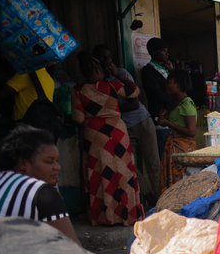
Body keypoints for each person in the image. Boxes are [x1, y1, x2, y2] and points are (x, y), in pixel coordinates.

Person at [0, 125, 79, 244]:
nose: (57, 167)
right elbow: (74, 250)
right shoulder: (40, 192)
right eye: (49, 161)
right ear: (22, 164)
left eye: (56, 161)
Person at [71, 52, 143, 225]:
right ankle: (128, 215)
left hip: (94, 135)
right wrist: (118, 74)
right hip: (118, 132)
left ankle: (106, 217)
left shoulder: (77, 90)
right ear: (97, 69)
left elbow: (79, 118)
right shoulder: (112, 85)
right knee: (124, 172)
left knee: (100, 174)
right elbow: (135, 91)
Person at [92, 45, 161, 203]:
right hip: (124, 127)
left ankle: (161, 199)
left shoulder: (120, 73)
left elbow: (135, 102)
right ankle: (150, 198)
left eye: (109, 56)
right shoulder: (97, 82)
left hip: (142, 121)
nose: (108, 60)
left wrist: (111, 110)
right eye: (103, 57)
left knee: (153, 163)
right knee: (130, 166)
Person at [156, 69, 198, 194]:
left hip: (182, 150)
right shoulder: (178, 103)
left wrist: (168, 123)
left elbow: (191, 131)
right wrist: (167, 118)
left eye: (169, 83)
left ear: (178, 85)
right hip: (174, 149)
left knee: (181, 187)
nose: (166, 86)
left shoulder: (187, 104)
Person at [141, 37, 176, 118]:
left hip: (172, 115)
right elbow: (158, 96)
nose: (167, 53)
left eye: (167, 51)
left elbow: (178, 85)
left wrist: (172, 71)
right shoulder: (148, 71)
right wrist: (176, 95)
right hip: (160, 116)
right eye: (164, 51)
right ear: (154, 52)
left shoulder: (166, 68)